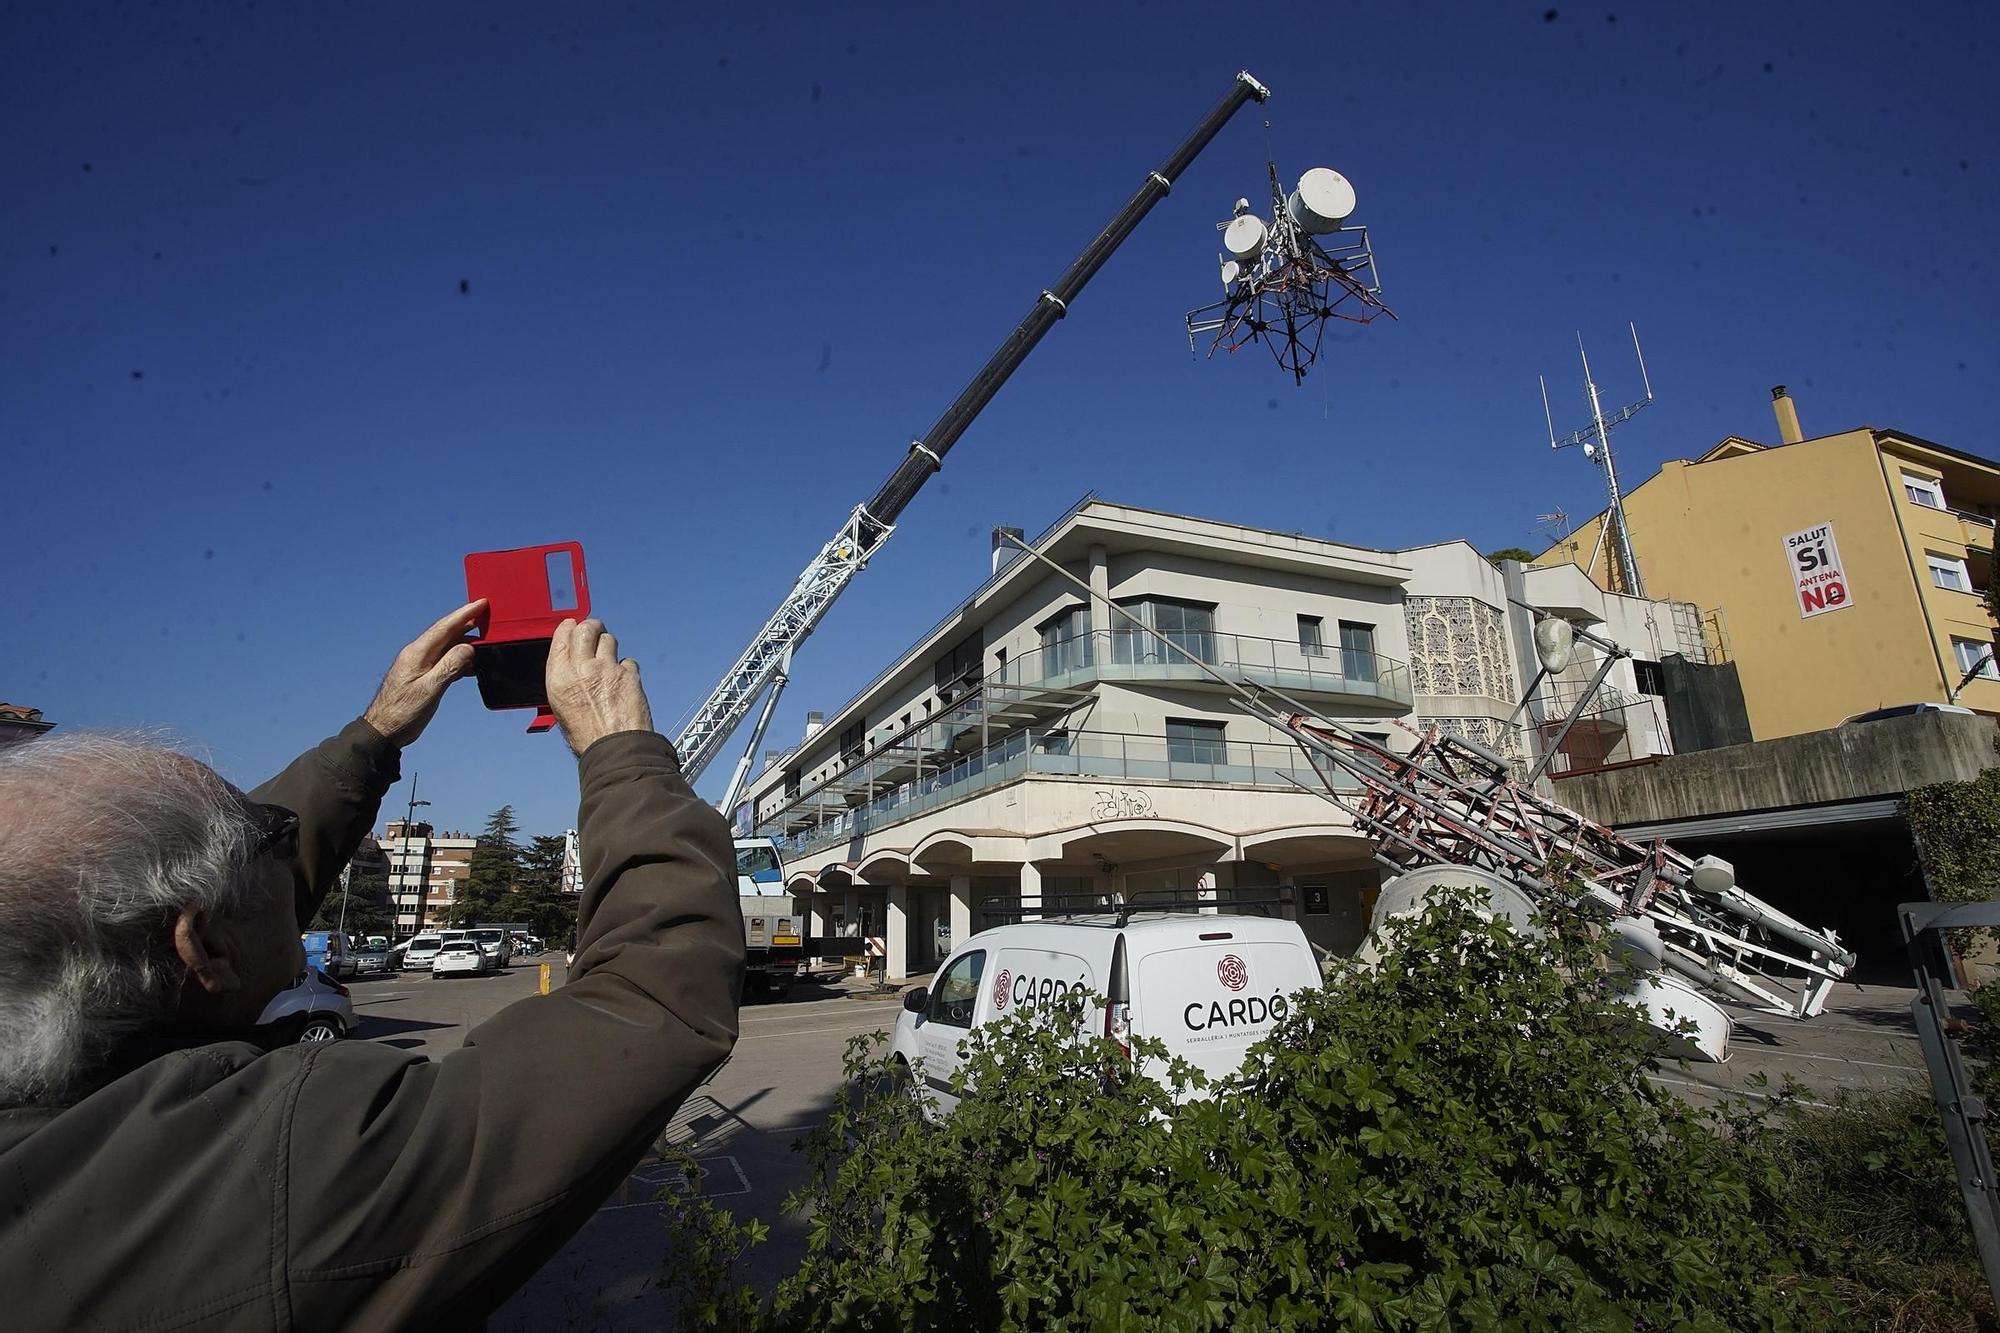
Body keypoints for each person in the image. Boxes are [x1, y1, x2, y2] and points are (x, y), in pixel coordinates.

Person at [0, 606, 744, 1329]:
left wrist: (377, 732)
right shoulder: (279, 1167)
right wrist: (624, 754)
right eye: (267, 831)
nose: (286, 832)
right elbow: (653, 1000)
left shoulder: (68, 1106)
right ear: (207, 952)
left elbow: (207, 898)